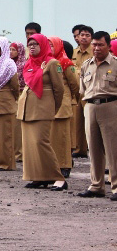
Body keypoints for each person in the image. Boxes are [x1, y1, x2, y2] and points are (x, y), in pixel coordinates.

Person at [17, 34, 66, 191]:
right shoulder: (30, 63)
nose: (32, 47)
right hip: (27, 108)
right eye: (29, 44)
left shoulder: (52, 63)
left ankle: (58, 178)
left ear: (43, 45)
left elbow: (59, 90)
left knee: (41, 142)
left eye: (35, 44)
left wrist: (52, 108)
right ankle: (38, 177)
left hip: (42, 108)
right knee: (30, 145)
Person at [77, 31, 117, 201]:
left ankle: (115, 186)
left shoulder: (115, 64)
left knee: (113, 149)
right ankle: (96, 185)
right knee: (93, 149)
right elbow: (82, 91)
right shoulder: (87, 65)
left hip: (110, 106)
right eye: (94, 44)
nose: (96, 48)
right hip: (91, 106)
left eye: (100, 44)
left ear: (108, 45)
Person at [48, 36, 79, 178]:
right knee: (51, 137)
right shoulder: (45, 62)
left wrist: (71, 99)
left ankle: (65, 164)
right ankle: (52, 165)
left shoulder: (66, 63)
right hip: (48, 104)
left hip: (63, 104)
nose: (49, 48)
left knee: (62, 138)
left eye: (52, 46)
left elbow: (75, 85)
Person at [0, 37, 19, 171]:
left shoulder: (9, 64)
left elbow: (15, 86)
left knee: (6, 136)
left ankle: (7, 163)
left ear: (3, 49)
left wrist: (13, 99)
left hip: (6, 103)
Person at [72, 25, 94, 158]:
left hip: (90, 89)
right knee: (78, 120)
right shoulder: (74, 52)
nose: (84, 37)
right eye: (82, 35)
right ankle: (80, 148)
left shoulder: (94, 52)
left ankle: (92, 147)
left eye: (87, 35)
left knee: (90, 120)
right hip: (77, 90)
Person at [10, 42, 26, 162]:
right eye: (9, 49)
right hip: (11, 96)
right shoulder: (9, 64)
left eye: (13, 50)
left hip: (21, 94)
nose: (11, 52)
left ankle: (19, 154)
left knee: (18, 126)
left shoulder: (23, 64)